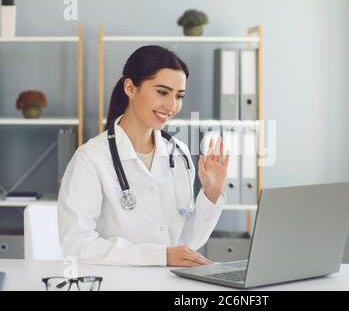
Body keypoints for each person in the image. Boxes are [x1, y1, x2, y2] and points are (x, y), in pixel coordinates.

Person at [58, 45, 229, 267]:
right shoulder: (90, 158)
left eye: (179, 96)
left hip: (169, 281)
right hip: (117, 284)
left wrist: (211, 193)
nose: (172, 105)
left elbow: (187, 242)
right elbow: (77, 246)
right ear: (130, 88)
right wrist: (161, 256)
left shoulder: (179, 154)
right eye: (162, 92)